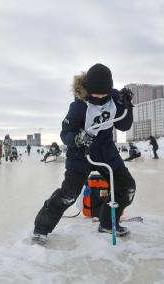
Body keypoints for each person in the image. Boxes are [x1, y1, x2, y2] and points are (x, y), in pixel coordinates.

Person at [32, 63, 136, 243]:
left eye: (104, 93)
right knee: (69, 194)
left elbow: (123, 125)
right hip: (81, 155)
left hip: (106, 152)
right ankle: (42, 227)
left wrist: (127, 106)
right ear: (89, 89)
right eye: (96, 93)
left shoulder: (113, 100)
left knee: (126, 187)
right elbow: (65, 134)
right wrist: (78, 139)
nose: (101, 97)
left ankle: (107, 223)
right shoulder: (79, 106)